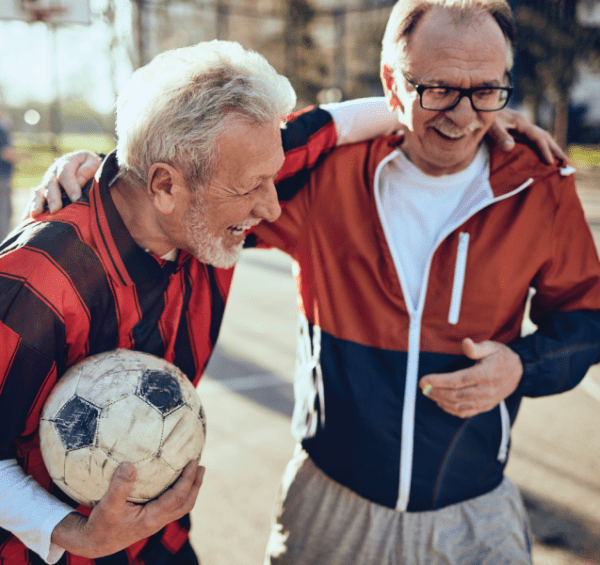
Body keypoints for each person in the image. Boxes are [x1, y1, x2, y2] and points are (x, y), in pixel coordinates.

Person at [32, 10, 575, 565]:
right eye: (437, 88)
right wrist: (102, 168)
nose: (463, 114)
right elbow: (194, 180)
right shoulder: (327, 177)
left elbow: (589, 317)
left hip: (475, 511)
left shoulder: (541, 183)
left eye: (486, 90)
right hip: (332, 507)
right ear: (392, 82)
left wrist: (521, 366)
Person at [0, 39, 376, 565]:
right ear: (164, 186)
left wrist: (467, 114)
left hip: (166, 547)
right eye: (254, 187)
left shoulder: (222, 170)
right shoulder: (37, 279)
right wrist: (69, 532)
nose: (270, 206)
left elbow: (342, 123)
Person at [0, 112, 17, 241]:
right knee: (4, 213)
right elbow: (6, 153)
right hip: (2, 177)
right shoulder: (2, 129)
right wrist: (24, 158)